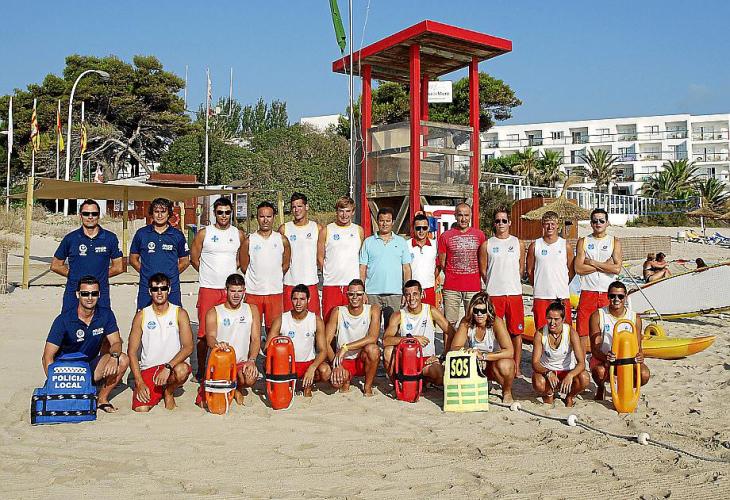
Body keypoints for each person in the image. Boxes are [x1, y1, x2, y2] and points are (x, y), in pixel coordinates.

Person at [42, 275, 129, 413]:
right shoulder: (63, 320)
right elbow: (47, 356)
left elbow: (116, 342)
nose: (90, 298)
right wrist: (55, 381)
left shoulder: (106, 314)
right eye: (85, 294)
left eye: (94, 293)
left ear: (99, 294)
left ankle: (102, 399)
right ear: (78, 294)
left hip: (90, 367)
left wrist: (114, 357)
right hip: (66, 371)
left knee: (123, 359)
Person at [190, 196, 246, 379]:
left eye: (227, 212)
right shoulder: (204, 233)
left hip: (229, 290)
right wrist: (208, 273)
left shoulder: (238, 234)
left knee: (229, 328)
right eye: (220, 212)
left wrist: (230, 272)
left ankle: (227, 365)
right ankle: (201, 370)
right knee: (204, 332)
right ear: (214, 213)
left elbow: (242, 258)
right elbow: (194, 259)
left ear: (231, 213)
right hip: (208, 288)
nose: (224, 215)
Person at [127, 273, 194, 412]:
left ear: (169, 290)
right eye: (155, 289)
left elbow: (188, 347)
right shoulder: (141, 315)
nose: (159, 292)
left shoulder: (180, 313)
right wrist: (139, 382)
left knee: (182, 370)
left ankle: (169, 391)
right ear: (149, 291)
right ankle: (158, 390)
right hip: (149, 368)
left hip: (172, 367)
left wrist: (168, 367)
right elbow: (132, 352)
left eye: (163, 288)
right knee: (141, 409)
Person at [50, 199, 124, 312]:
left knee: (102, 321)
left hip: (99, 293)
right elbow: (56, 265)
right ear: (80, 216)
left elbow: (118, 267)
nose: (90, 217)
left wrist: (99, 276)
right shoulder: (70, 238)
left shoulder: (110, 238)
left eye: (94, 213)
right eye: (86, 213)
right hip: (74, 292)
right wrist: (75, 276)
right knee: (70, 322)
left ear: (99, 215)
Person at [479, 207, 526, 375]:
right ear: (494, 223)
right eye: (498, 221)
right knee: (493, 331)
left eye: (504, 220)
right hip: (494, 294)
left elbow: (521, 269)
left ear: (509, 223)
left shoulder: (518, 243)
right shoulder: (487, 244)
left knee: (516, 332)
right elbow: (483, 270)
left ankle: (516, 366)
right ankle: (493, 365)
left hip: (514, 293)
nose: (501, 223)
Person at [383, 280, 456, 386]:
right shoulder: (398, 315)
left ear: (422, 294)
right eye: (408, 295)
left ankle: (423, 382)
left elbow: (451, 332)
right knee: (388, 351)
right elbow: (386, 341)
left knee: (440, 374)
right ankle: (398, 385)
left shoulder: (430, 310)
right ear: (404, 296)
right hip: (406, 360)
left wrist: (443, 357)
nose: (411, 298)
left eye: (415, 294)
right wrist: (412, 339)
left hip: (426, 360)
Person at [588, 281, 651, 400]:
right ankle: (601, 387)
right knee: (599, 372)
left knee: (644, 374)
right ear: (608, 296)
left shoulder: (635, 318)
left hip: (627, 359)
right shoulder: (597, 316)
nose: (616, 299)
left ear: (625, 297)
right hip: (605, 359)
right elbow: (594, 349)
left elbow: (638, 346)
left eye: (620, 296)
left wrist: (640, 356)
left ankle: (625, 387)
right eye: (613, 296)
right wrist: (606, 357)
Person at [205, 273, 261, 405]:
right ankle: (232, 388)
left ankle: (237, 387)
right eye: (232, 291)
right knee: (206, 403)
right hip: (221, 363)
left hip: (241, 362)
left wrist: (252, 360)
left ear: (244, 291)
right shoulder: (214, 311)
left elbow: (256, 339)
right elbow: (210, 338)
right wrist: (218, 344)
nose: (236, 295)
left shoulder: (252, 309)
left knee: (250, 378)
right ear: (226, 291)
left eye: (239, 291)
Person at [450, 292, 516, 403]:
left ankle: (507, 391)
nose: (479, 314)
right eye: (476, 311)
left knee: (506, 364)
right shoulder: (466, 322)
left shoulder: (496, 322)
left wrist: (484, 356)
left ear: (489, 311)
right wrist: (467, 351)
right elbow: (454, 347)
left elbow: (509, 351)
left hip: (492, 362)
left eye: (483, 311)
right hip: (474, 363)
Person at [267, 284, 330, 397]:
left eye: (302, 299)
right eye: (295, 299)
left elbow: (323, 350)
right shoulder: (281, 319)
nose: (298, 303)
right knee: (266, 364)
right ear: (291, 300)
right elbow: (268, 347)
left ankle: (309, 383)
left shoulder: (315, 320)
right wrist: (280, 356)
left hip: (307, 363)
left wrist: (312, 367)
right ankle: (288, 382)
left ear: (308, 300)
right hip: (287, 364)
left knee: (325, 371)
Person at [574, 208, 623, 349]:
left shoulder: (614, 242)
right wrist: (604, 265)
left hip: (608, 292)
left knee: (607, 330)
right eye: (595, 221)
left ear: (607, 223)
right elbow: (578, 269)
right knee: (583, 330)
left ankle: (604, 358)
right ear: (591, 223)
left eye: (601, 221)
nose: (598, 223)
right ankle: (582, 360)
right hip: (588, 291)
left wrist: (592, 262)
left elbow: (616, 269)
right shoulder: (583, 241)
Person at [129, 198, 190, 311]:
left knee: (174, 317)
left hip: (171, 287)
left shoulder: (177, 235)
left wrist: (170, 274)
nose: (160, 215)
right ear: (152, 213)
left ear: (169, 214)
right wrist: (146, 272)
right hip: (147, 286)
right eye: (156, 211)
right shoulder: (142, 233)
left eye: (163, 211)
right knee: (144, 317)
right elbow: (133, 259)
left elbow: (185, 261)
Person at [327, 279, 382, 396]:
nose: (355, 297)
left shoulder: (373, 309)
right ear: (347, 295)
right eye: (351, 294)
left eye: (359, 294)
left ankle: (367, 386)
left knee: (373, 350)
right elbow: (326, 342)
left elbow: (373, 337)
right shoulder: (338, 311)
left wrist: (346, 347)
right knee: (337, 384)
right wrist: (336, 365)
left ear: (364, 295)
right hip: (344, 360)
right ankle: (346, 379)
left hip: (362, 359)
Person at [242, 201, 291, 332]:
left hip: (275, 292)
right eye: (262, 216)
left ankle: (270, 346)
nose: (265, 220)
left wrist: (274, 275)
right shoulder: (249, 241)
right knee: (253, 328)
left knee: (274, 329)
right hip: (254, 292)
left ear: (274, 217)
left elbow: (286, 264)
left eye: (269, 216)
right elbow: (244, 266)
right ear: (257, 218)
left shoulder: (282, 240)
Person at [437, 203, 486, 333]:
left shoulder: (480, 235)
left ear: (471, 216)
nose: (463, 219)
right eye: (460, 215)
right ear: (455, 216)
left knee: (474, 321)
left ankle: (472, 345)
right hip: (451, 287)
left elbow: (483, 260)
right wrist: (453, 273)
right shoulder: (445, 236)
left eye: (466, 215)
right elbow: (442, 262)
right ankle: (449, 346)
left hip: (473, 286)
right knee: (449, 323)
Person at [359, 207, 412, 325]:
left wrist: (406, 291)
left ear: (393, 222)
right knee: (372, 327)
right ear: (377, 222)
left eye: (388, 221)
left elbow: (406, 268)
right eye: (382, 221)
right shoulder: (368, 242)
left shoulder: (401, 242)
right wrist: (362, 291)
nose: (384, 224)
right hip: (372, 293)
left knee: (393, 328)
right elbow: (362, 268)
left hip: (395, 293)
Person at [531, 301, 589, 407]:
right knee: (537, 381)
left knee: (584, 377)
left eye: (556, 319)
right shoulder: (540, 334)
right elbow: (535, 363)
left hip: (567, 370)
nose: (552, 322)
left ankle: (570, 396)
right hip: (548, 370)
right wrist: (548, 372)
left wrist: (570, 375)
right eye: (549, 318)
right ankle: (549, 394)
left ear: (563, 319)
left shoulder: (571, 332)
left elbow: (581, 363)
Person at [318, 196, 364, 321]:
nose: (344, 215)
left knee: (351, 321)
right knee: (329, 321)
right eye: (341, 211)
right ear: (336, 211)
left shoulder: (359, 230)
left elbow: (361, 258)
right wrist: (328, 273)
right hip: (331, 284)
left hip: (352, 285)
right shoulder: (326, 230)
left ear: (353, 212)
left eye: (348, 211)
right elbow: (320, 257)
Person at [527, 211, 575, 331]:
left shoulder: (566, 245)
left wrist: (562, 283)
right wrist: (538, 285)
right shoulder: (535, 246)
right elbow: (530, 270)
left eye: (553, 224)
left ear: (557, 225)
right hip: (541, 295)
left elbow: (571, 270)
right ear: (542, 225)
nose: (550, 227)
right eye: (547, 223)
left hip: (561, 295)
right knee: (541, 330)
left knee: (565, 330)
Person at [279, 192, 322, 315]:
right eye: (293, 207)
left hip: (310, 282)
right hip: (290, 282)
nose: (296, 210)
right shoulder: (284, 229)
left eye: (299, 206)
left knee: (313, 321)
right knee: (289, 320)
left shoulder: (317, 228)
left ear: (306, 207)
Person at [407, 213, 440, 307]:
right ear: (413, 228)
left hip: (428, 288)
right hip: (411, 289)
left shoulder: (435, 245)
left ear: (428, 228)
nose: (421, 231)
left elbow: (438, 266)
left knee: (428, 314)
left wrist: (430, 279)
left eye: (424, 228)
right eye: (418, 228)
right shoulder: (406, 245)